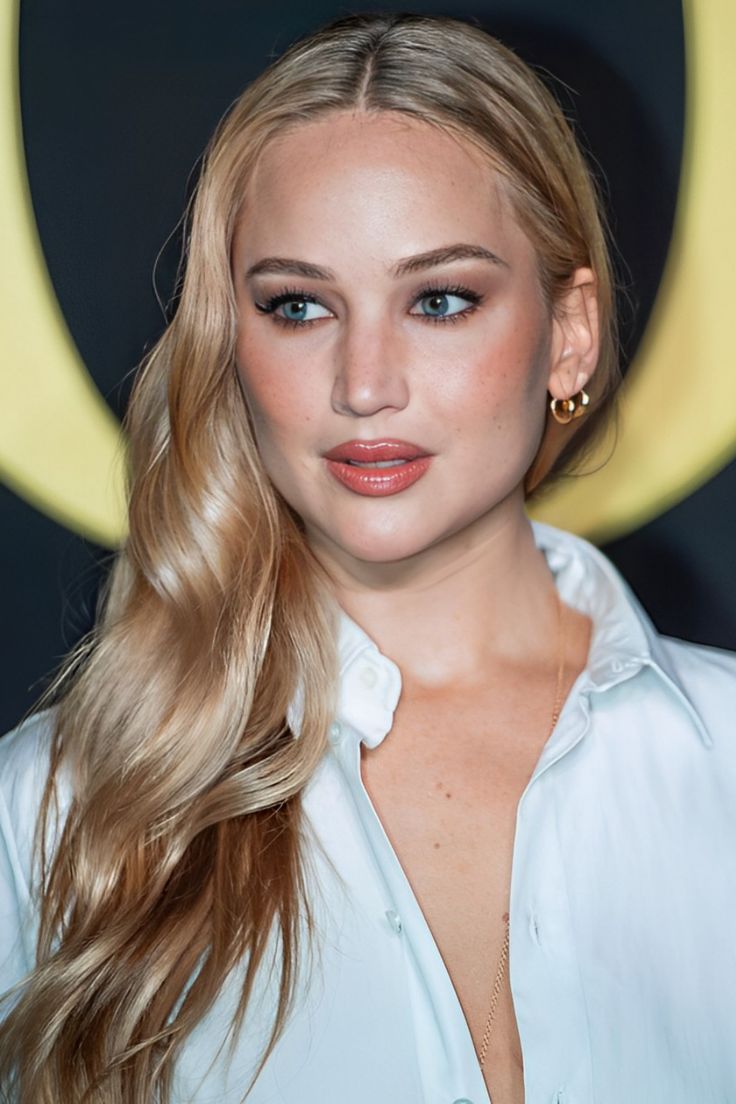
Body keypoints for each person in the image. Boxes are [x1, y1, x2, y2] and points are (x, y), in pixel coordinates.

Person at [1, 11, 735, 1104]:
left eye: (440, 300)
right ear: (230, 341)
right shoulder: (65, 807)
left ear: (567, 333)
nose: (363, 382)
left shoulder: (722, 758)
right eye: (298, 307)